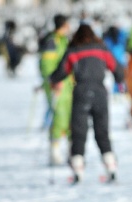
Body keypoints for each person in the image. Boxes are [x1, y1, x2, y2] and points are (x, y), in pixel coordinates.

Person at [50, 24, 124, 184]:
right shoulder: (102, 49)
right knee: (102, 132)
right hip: (100, 93)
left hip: (80, 92)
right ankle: (111, 168)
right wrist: (120, 79)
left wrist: (53, 80)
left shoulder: (73, 51)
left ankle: (77, 170)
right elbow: (117, 69)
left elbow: (61, 72)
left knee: (78, 132)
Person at [38, 14, 73, 166]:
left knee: (70, 118)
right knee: (58, 117)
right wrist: (53, 81)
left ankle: (71, 152)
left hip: (67, 85)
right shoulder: (51, 41)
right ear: (63, 25)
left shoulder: (64, 40)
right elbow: (46, 64)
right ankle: (54, 152)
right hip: (56, 85)